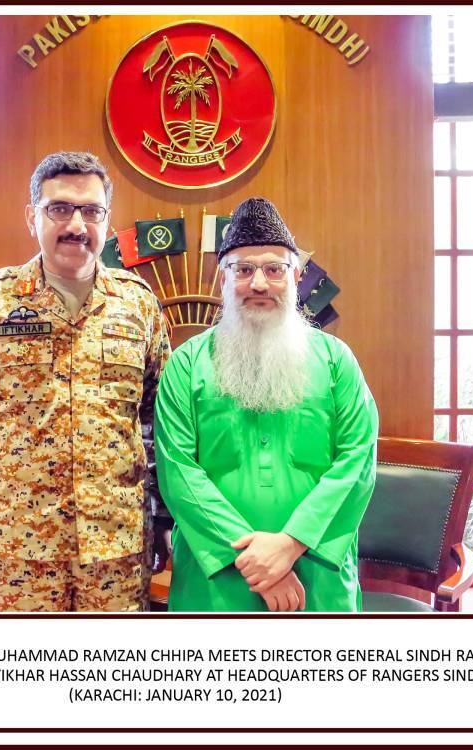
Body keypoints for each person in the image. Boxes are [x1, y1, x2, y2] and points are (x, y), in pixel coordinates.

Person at [0, 151, 171, 611]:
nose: (76, 225)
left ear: (106, 219)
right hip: (18, 548)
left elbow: (158, 423)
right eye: (59, 208)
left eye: (91, 211)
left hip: (116, 549)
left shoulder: (138, 305)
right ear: (32, 217)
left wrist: (163, 518)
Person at [154, 197, 378, 612]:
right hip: (217, 583)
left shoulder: (336, 361)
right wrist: (256, 562)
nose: (259, 283)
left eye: (274, 269)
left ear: (296, 276)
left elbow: (358, 461)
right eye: (243, 270)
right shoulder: (186, 365)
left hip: (317, 579)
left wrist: (290, 545)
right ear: (223, 278)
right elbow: (178, 472)